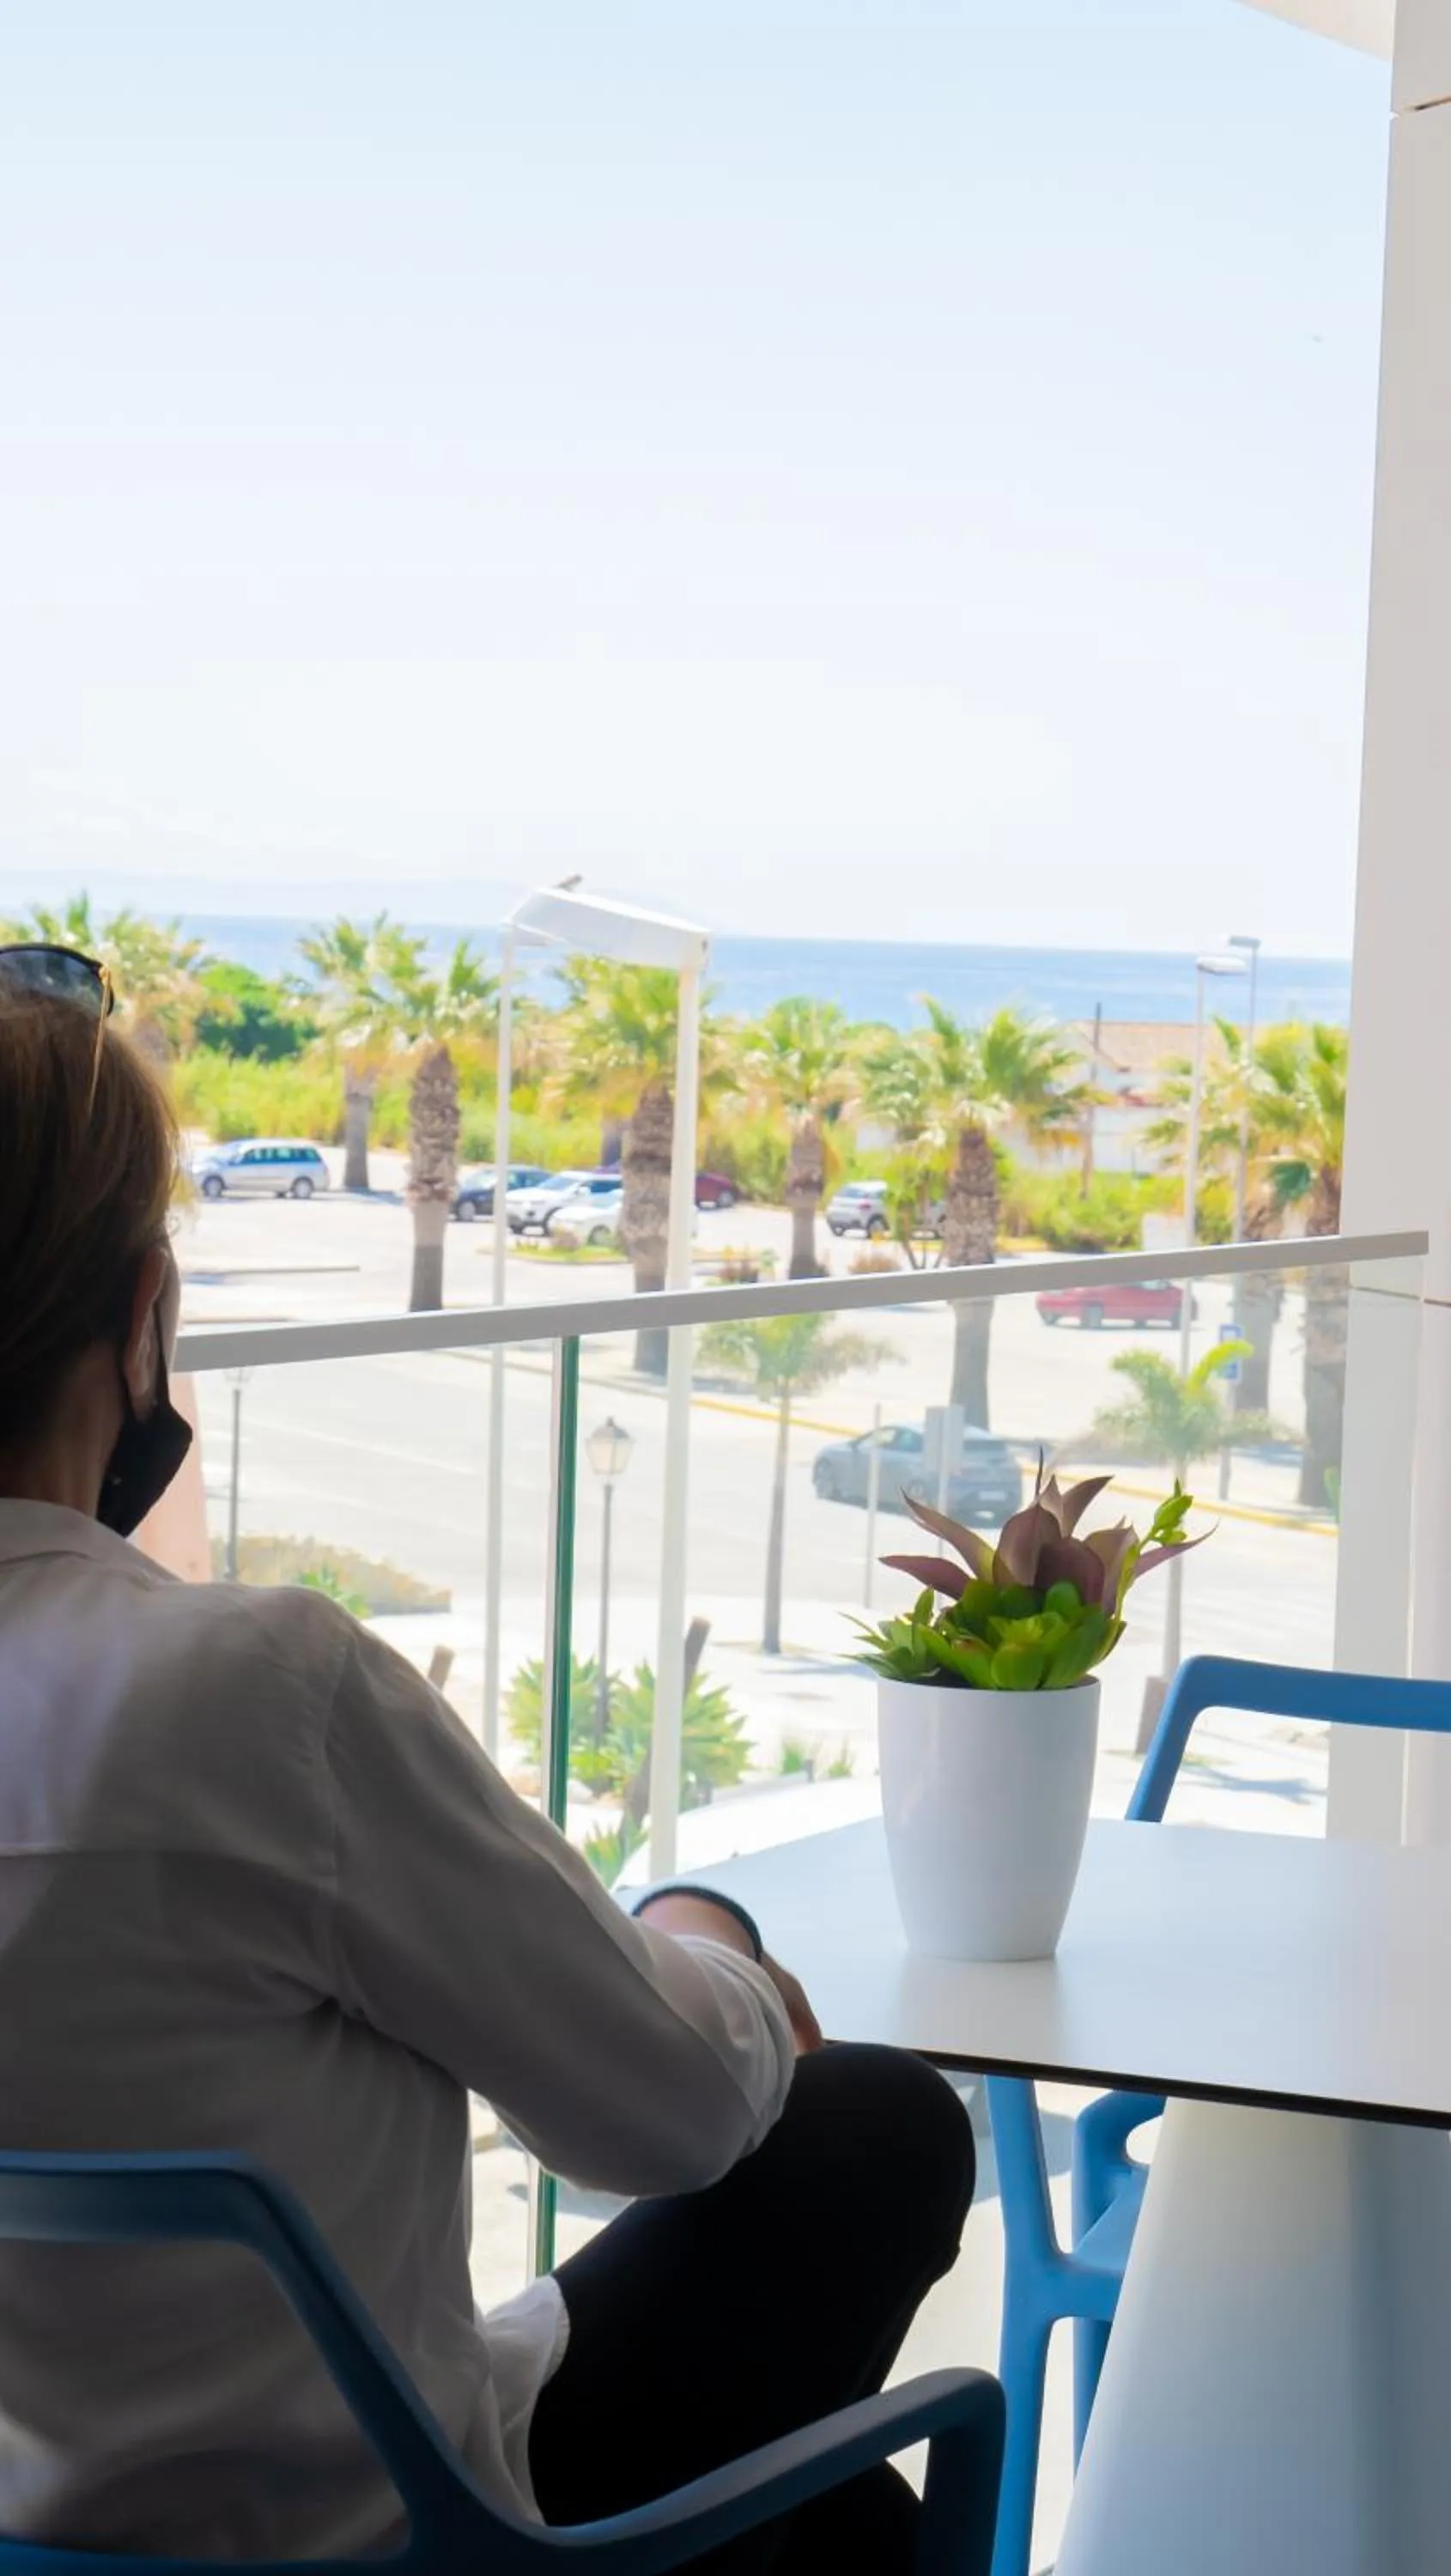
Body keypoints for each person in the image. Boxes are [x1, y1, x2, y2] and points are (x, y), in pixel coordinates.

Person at [0, 945, 977, 2571]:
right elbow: (660, 2119)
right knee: (875, 2131)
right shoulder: (253, 1691)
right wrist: (704, 1945)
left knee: (838, 2517)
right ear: (140, 1319)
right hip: (382, 2532)